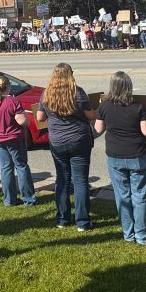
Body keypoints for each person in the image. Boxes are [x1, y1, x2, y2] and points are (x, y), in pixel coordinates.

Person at [36, 63, 97, 231]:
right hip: (79, 140)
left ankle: (62, 219)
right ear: (70, 74)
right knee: (80, 180)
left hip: (57, 142)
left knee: (62, 179)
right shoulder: (78, 92)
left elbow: (40, 117)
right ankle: (83, 222)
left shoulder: (46, 93)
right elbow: (91, 115)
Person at [94, 72, 146, 244]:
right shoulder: (138, 107)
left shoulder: (104, 106)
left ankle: (128, 234)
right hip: (137, 155)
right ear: (129, 87)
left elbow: (98, 129)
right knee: (140, 195)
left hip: (115, 156)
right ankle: (142, 236)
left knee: (122, 196)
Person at [0, 74, 36, 207]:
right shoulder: (13, 101)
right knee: (21, 166)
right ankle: (28, 199)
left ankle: (9, 200)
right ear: (8, 87)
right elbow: (21, 120)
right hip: (14, 138)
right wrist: (27, 121)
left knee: (6, 168)